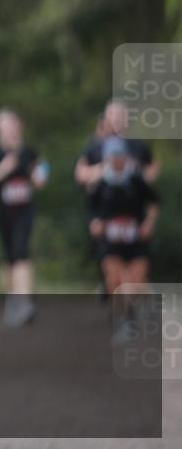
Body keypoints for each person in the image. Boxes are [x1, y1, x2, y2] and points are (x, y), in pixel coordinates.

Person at [74, 99, 159, 299]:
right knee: (110, 263)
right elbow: (80, 174)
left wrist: (137, 178)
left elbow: (152, 170)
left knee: (134, 267)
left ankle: (135, 298)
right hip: (104, 214)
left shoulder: (137, 147)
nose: (117, 120)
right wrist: (104, 172)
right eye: (113, 115)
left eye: (121, 116)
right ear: (106, 118)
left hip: (133, 214)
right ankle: (112, 291)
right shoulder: (95, 147)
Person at [0, 108, 48, 327]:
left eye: (11, 126)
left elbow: (42, 176)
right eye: (3, 127)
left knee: (21, 252)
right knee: (8, 259)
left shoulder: (29, 152)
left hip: (24, 213)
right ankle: (13, 298)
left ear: (19, 127)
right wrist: (4, 169)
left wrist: (37, 176)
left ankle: (24, 302)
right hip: (2, 214)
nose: (7, 131)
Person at [88, 136, 159, 342]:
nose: (115, 160)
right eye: (111, 156)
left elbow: (154, 202)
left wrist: (148, 223)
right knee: (115, 279)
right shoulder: (100, 184)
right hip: (111, 241)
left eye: (119, 155)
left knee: (135, 282)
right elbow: (92, 211)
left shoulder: (136, 180)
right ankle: (123, 319)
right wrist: (95, 223)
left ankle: (131, 313)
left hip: (135, 239)